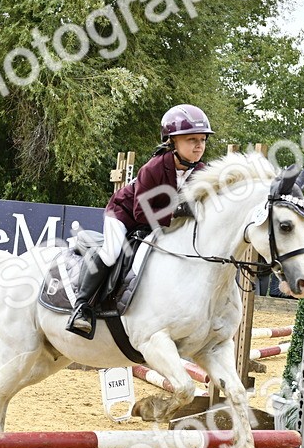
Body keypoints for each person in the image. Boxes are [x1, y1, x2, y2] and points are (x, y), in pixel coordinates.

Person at [65, 104, 212, 338]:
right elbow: (140, 214)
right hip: (124, 214)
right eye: (191, 139)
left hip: (157, 224)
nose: (199, 146)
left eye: (203, 140)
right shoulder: (153, 168)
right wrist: (178, 212)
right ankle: (82, 308)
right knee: (112, 252)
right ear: (173, 142)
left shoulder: (201, 171)